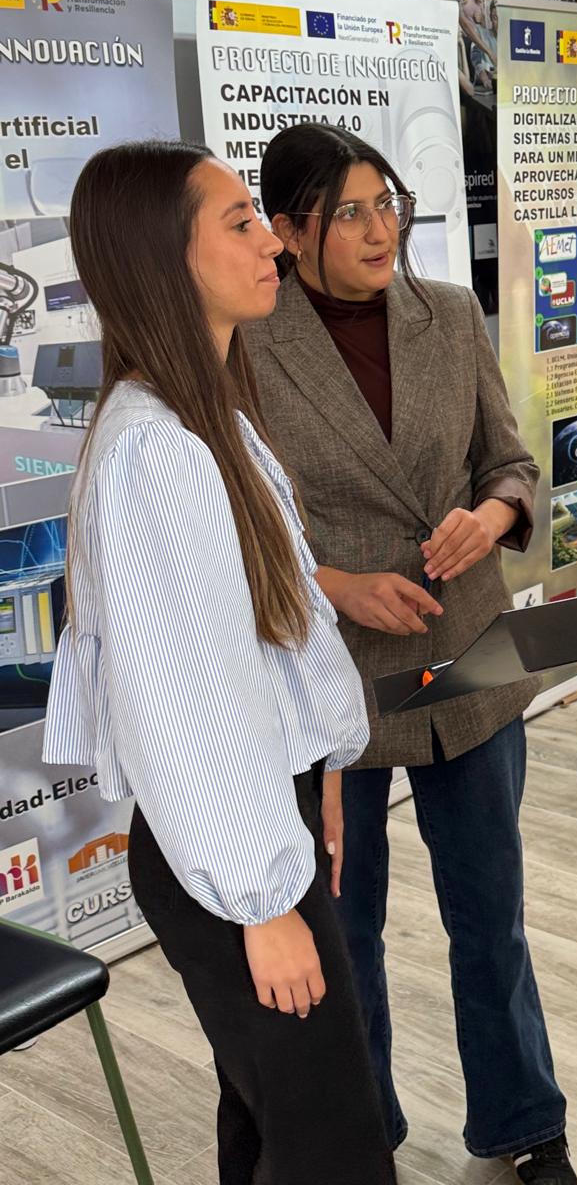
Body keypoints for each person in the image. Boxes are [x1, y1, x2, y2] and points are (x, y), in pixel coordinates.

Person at [43, 140, 395, 1184]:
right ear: (165, 258)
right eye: (240, 222)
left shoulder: (205, 418)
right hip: (227, 858)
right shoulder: (159, 448)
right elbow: (184, 706)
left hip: (252, 826)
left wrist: (317, 776)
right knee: (331, 1147)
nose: (268, 242)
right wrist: (261, 898)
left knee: (272, 1124)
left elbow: (262, 643)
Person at [242, 124, 577, 1185]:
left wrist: (490, 515)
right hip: (335, 675)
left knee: (492, 919)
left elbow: (516, 461)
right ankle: (362, 1136)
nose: (382, 227)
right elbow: (243, 523)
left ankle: (524, 1123)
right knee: (350, 935)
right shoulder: (246, 346)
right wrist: (336, 585)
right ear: (290, 230)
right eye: (352, 211)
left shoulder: (450, 315)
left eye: (390, 203)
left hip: (471, 659)